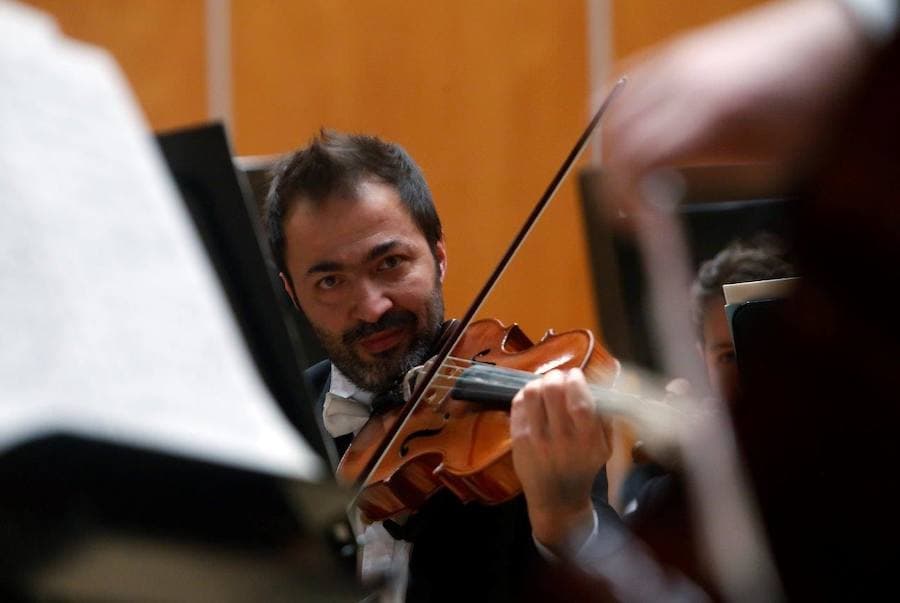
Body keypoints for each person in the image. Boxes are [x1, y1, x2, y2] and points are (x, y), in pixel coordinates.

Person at [264, 130, 617, 602]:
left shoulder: (523, 424)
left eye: (390, 262)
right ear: (293, 295)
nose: (370, 307)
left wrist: (567, 522)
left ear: (439, 254)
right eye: (330, 281)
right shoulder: (272, 431)